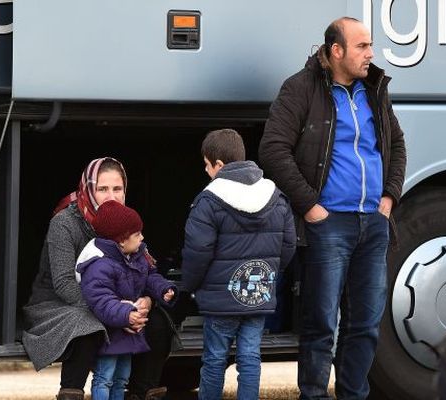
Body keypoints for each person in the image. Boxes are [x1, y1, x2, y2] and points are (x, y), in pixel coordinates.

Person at [258, 17, 407, 400]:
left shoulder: (374, 89)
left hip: (373, 224)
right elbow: (273, 149)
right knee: (321, 323)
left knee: (366, 323)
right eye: (362, 46)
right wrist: (310, 206)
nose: (371, 54)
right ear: (335, 50)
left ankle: (353, 395)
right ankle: (313, 395)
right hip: (328, 225)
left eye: (370, 45)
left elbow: (397, 146)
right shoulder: (300, 88)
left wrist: (388, 198)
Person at [22, 158, 176, 400]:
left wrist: (146, 301)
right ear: (88, 189)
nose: (111, 196)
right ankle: (71, 393)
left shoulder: (126, 221)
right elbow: (63, 283)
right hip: (60, 302)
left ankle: (141, 393)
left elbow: (145, 271)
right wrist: (112, 311)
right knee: (85, 325)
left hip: (120, 301)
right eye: (102, 189)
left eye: (117, 189)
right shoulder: (64, 223)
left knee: (157, 323)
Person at [181, 128, 297, 400]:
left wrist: (190, 286)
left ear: (218, 165)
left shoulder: (209, 201)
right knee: (250, 357)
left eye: (207, 166)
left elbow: (198, 251)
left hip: (220, 300)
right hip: (257, 295)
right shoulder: (276, 197)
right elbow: (289, 246)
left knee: (214, 359)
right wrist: (270, 275)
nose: (207, 172)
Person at [75, 200, 177, 400]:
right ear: (122, 240)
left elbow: (150, 277)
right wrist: (126, 314)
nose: (142, 237)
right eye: (137, 234)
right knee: (104, 377)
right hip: (110, 332)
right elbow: (101, 300)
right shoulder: (99, 265)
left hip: (129, 331)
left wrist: (163, 289)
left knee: (122, 378)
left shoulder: (137, 255)